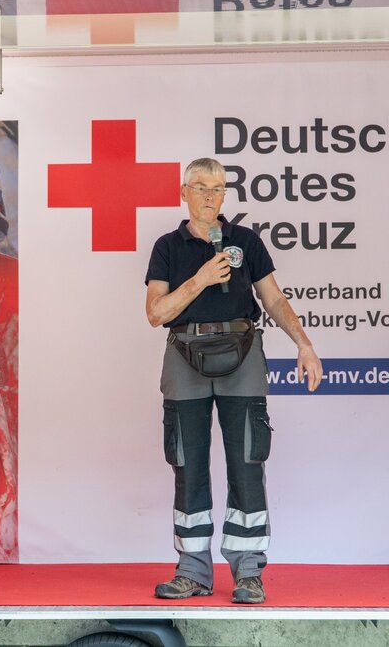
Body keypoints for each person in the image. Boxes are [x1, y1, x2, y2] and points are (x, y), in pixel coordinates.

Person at [144, 157, 323, 604]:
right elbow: (156, 313)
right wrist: (201, 279)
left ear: (225, 195)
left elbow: (274, 298)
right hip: (184, 353)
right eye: (201, 187)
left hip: (242, 353)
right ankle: (192, 571)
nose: (210, 196)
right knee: (188, 464)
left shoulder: (246, 241)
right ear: (182, 193)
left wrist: (304, 343)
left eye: (218, 188)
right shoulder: (167, 246)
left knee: (247, 462)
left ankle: (248, 572)